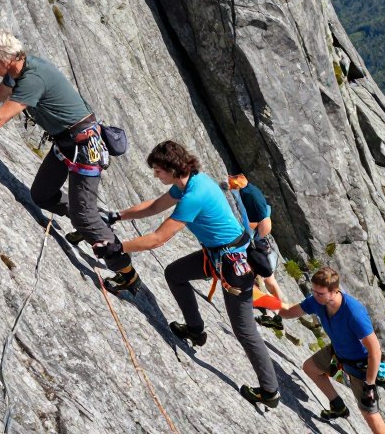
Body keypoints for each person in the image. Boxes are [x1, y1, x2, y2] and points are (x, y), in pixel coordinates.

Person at [0, 31, 138, 294]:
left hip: (83, 146)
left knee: (84, 215)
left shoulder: (32, 79)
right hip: (66, 143)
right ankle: (90, 221)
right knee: (42, 195)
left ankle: (126, 271)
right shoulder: (20, 69)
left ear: (5, 58)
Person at [93, 140, 280, 408]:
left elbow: (159, 238)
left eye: (158, 170)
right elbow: (155, 206)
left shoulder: (195, 195)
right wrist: (117, 216)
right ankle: (195, 330)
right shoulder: (190, 182)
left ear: (172, 169)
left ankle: (270, 391)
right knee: (175, 273)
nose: (155, 175)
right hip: (219, 254)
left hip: (233, 265)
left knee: (244, 330)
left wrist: (118, 247)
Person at [276, 267, 385, 432]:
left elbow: (375, 350)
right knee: (310, 368)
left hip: (361, 366)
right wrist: (264, 300)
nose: (315, 296)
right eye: (313, 291)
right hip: (338, 351)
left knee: (369, 412)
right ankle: (337, 406)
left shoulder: (353, 312)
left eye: (320, 293)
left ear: (335, 290)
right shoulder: (316, 301)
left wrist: (369, 385)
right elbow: (288, 312)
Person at [227, 174, 286, 330]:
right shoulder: (250, 191)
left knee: (268, 281)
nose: (230, 185)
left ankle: (276, 313)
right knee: (267, 281)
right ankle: (275, 314)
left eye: (232, 183)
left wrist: (253, 238)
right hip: (258, 241)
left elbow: (264, 221)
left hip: (257, 243)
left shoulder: (250, 194)